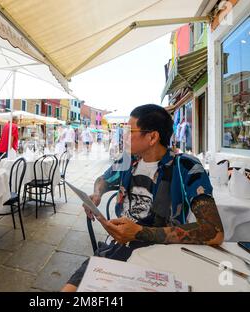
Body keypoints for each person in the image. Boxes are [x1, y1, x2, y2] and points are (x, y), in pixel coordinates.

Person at [62, 104, 224, 292]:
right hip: (117, 247)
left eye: (130, 131)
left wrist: (139, 232)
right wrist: (97, 193)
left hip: (161, 254)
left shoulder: (186, 167)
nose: (123, 136)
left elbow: (214, 231)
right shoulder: (127, 161)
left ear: (152, 137)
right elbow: (103, 180)